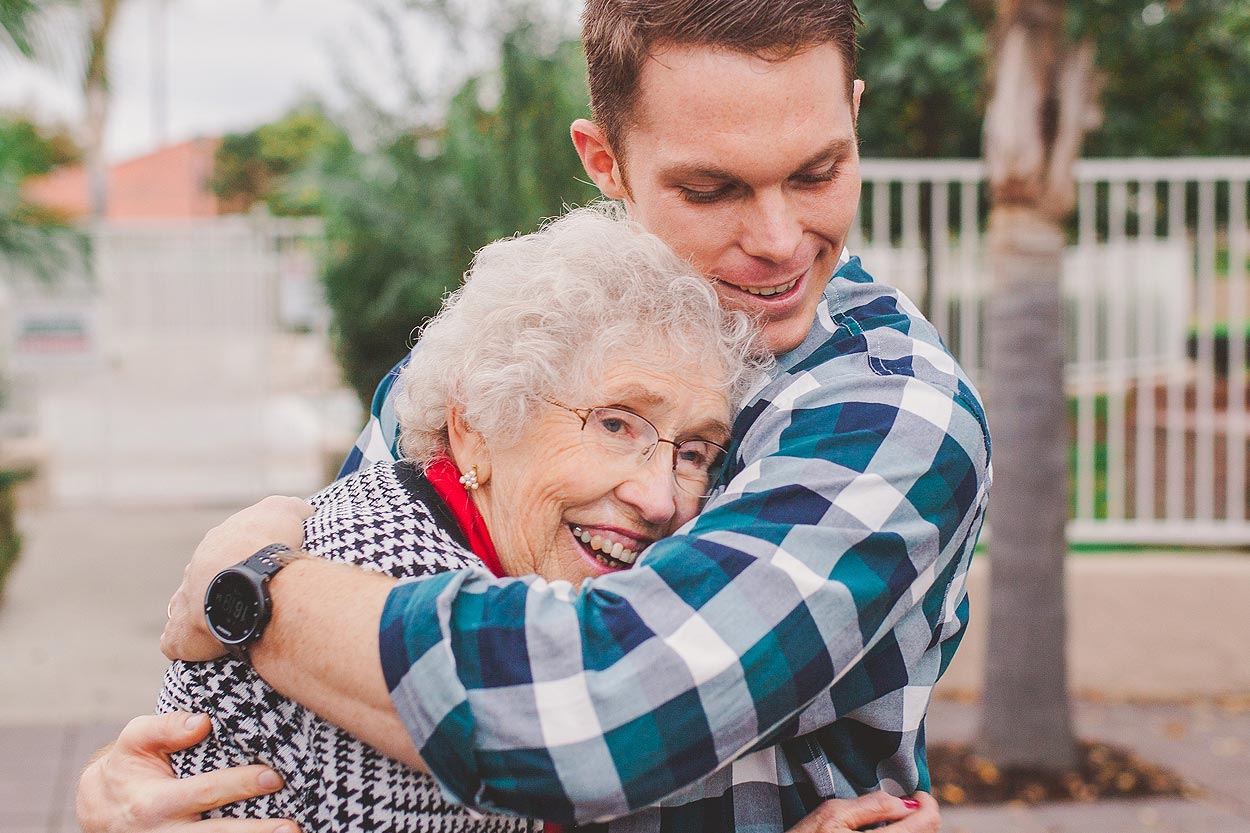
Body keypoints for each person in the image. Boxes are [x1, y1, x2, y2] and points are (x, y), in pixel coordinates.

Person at [79, 0, 988, 831]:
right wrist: (154, 790)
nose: (780, 240)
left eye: (818, 171)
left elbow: (598, 713)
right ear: (604, 161)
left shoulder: (889, 409)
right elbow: (329, 654)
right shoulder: (516, 344)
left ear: (854, 115)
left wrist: (253, 592)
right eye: (712, 190)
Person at [157, 206, 775, 831]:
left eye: (693, 453)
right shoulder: (390, 578)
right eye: (616, 425)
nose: (660, 498)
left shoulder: (422, 525)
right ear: (476, 426)